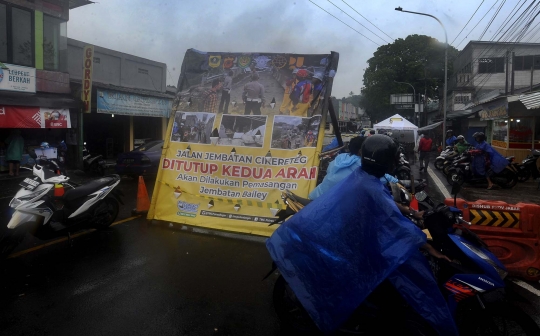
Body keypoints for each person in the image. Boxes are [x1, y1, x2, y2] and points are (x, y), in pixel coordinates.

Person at [267, 135, 457, 335]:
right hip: (349, 241)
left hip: (348, 232)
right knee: (385, 279)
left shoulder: (362, 175)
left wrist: (411, 212)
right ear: (386, 161)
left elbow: (386, 203)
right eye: (393, 158)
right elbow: (396, 225)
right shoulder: (368, 183)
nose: (394, 163)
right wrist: (428, 247)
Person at [309, 136, 399, 200]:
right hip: (324, 203)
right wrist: (397, 181)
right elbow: (376, 177)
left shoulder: (342, 157)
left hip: (318, 195)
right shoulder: (358, 164)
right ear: (360, 151)